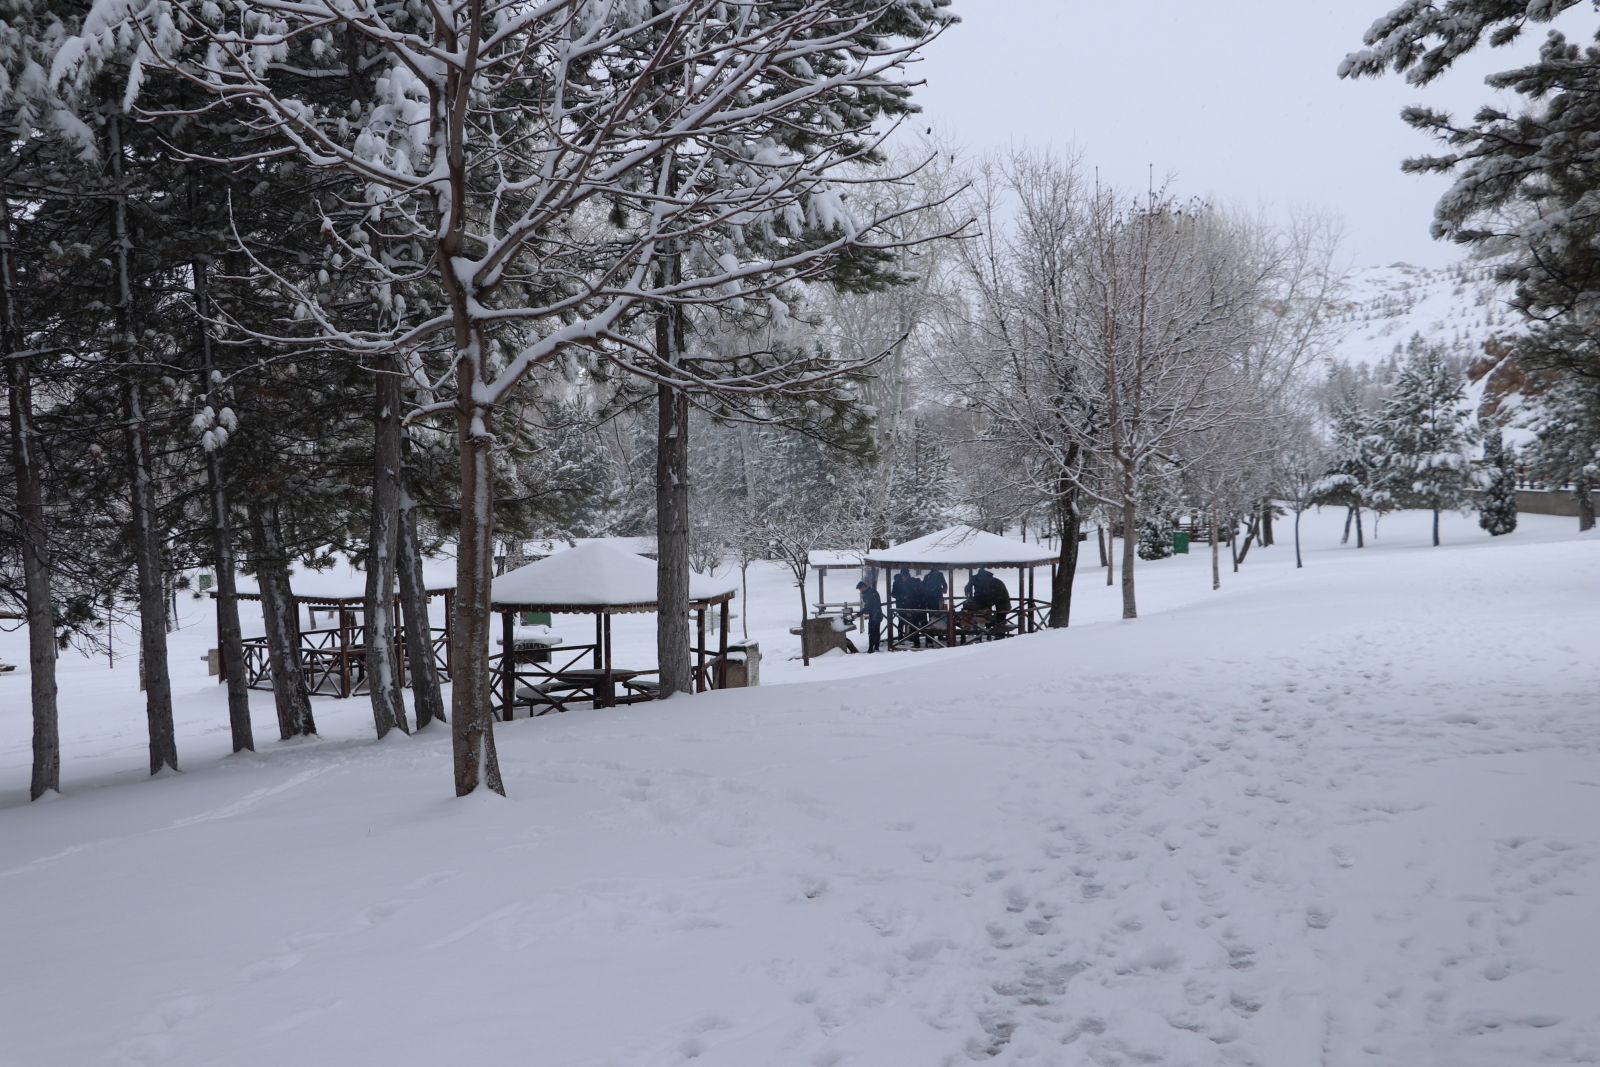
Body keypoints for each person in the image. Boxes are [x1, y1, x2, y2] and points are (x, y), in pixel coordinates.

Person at [856, 580, 883, 653]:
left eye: (860, 589)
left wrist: (859, 613)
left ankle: (871, 648)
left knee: (871, 632)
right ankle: (876, 647)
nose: (860, 591)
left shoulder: (869, 594)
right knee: (876, 631)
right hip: (878, 614)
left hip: (874, 615)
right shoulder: (873, 592)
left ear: (864, 587)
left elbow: (868, 607)